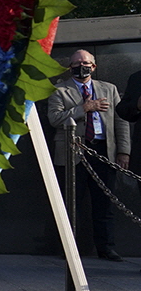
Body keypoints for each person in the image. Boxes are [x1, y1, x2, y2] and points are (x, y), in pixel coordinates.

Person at [50, 49, 129, 261]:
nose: (80, 66)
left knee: (104, 203)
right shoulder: (59, 90)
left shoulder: (109, 89)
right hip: (73, 152)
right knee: (71, 203)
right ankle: (69, 249)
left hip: (103, 151)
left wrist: (123, 151)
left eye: (84, 62)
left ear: (93, 66)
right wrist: (84, 108)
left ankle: (106, 247)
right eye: (75, 63)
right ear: (70, 67)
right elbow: (55, 119)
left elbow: (121, 121)